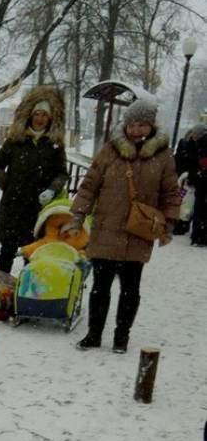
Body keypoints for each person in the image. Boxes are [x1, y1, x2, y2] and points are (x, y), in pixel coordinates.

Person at [65, 98, 181, 353]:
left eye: (142, 125)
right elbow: (89, 185)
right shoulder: (110, 150)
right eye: (131, 124)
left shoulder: (163, 156)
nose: (136, 130)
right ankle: (94, 334)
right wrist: (77, 218)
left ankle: (121, 337)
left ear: (151, 125)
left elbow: (171, 193)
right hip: (106, 227)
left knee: (130, 288)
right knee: (100, 286)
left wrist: (169, 226)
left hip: (138, 232)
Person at [0, 86, 69, 275]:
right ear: (30, 115)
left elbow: (62, 174)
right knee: (6, 252)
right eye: (37, 113)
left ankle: (27, 290)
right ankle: (1, 286)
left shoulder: (54, 145)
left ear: (50, 118)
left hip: (37, 209)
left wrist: (51, 189)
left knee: (33, 254)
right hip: (13, 207)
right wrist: (8, 184)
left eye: (44, 115)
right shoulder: (16, 141)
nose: (40, 118)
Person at [174, 122, 207, 246]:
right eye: (194, 133)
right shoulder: (185, 143)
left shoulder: (199, 145)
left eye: (197, 133)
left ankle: (186, 226)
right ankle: (182, 225)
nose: (195, 135)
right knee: (184, 202)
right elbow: (179, 159)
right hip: (187, 177)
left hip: (195, 177)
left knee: (191, 203)